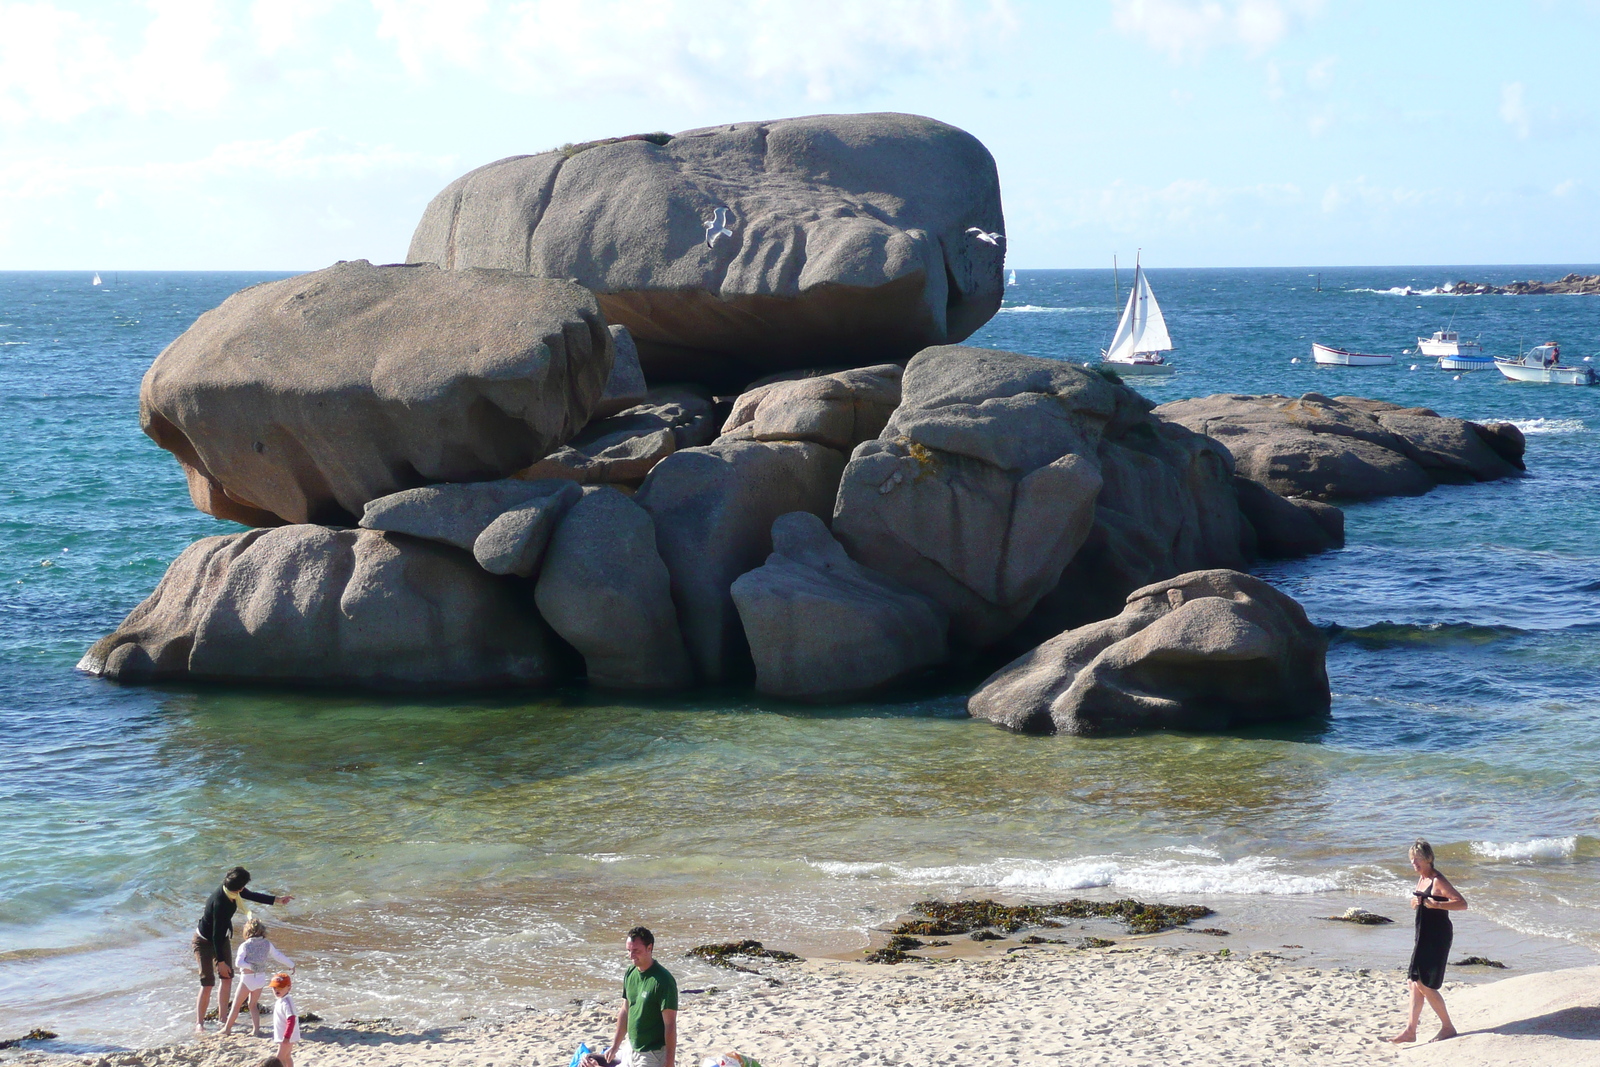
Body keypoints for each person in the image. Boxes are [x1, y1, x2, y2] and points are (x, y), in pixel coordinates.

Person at [193, 866, 293, 1032]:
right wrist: (221, 961)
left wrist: (277, 899)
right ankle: (199, 1023)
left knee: (227, 979)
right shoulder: (220, 903)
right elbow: (215, 935)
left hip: (221, 937)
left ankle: (223, 1018)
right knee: (208, 983)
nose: (244, 889)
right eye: (243, 885)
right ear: (237, 886)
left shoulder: (231, 890)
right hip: (204, 941)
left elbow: (251, 895)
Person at [1389, 838, 1467, 1044]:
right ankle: (1410, 1031)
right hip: (1422, 935)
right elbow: (1422, 902)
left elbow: (1462, 904)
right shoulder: (1422, 879)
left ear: (1428, 859)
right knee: (1413, 982)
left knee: (1424, 984)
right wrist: (1416, 903)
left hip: (1437, 937)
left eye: (1417, 860)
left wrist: (1436, 906)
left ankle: (1448, 1027)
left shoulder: (1437, 880)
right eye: (1412, 860)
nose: (1414, 864)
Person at [584, 926, 678, 1067]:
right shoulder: (630, 972)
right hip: (631, 1048)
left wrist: (669, 1063)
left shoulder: (663, 981)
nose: (631, 956)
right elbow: (625, 1010)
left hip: (652, 1054)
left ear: (649, 948)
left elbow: (670, 1025)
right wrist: (615, 1045)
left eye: (636, 951)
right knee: (587, 1060)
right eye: (629, 951)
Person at [224, 919, 295, 1036]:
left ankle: (227, 1029)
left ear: (247, 932)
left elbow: (238, 963)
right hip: (260, 979)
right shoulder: (267, 944)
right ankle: (256, 1030)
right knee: (253, 1005)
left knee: (236, 1005)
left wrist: (251, 967)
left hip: (247, 979)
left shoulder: (245, 945)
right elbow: (278, 956)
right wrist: (291, 964)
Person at [269, 972, 300, 1067]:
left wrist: (287, 1036)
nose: (277, 990)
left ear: (289, 988)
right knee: (287, 1057)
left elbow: (292, 1019)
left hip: (287, 1037)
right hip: (285, 1036)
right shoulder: (281, 1000)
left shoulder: (287, 1002)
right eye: (274, 988)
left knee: (279, 1059)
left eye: (280, 987)